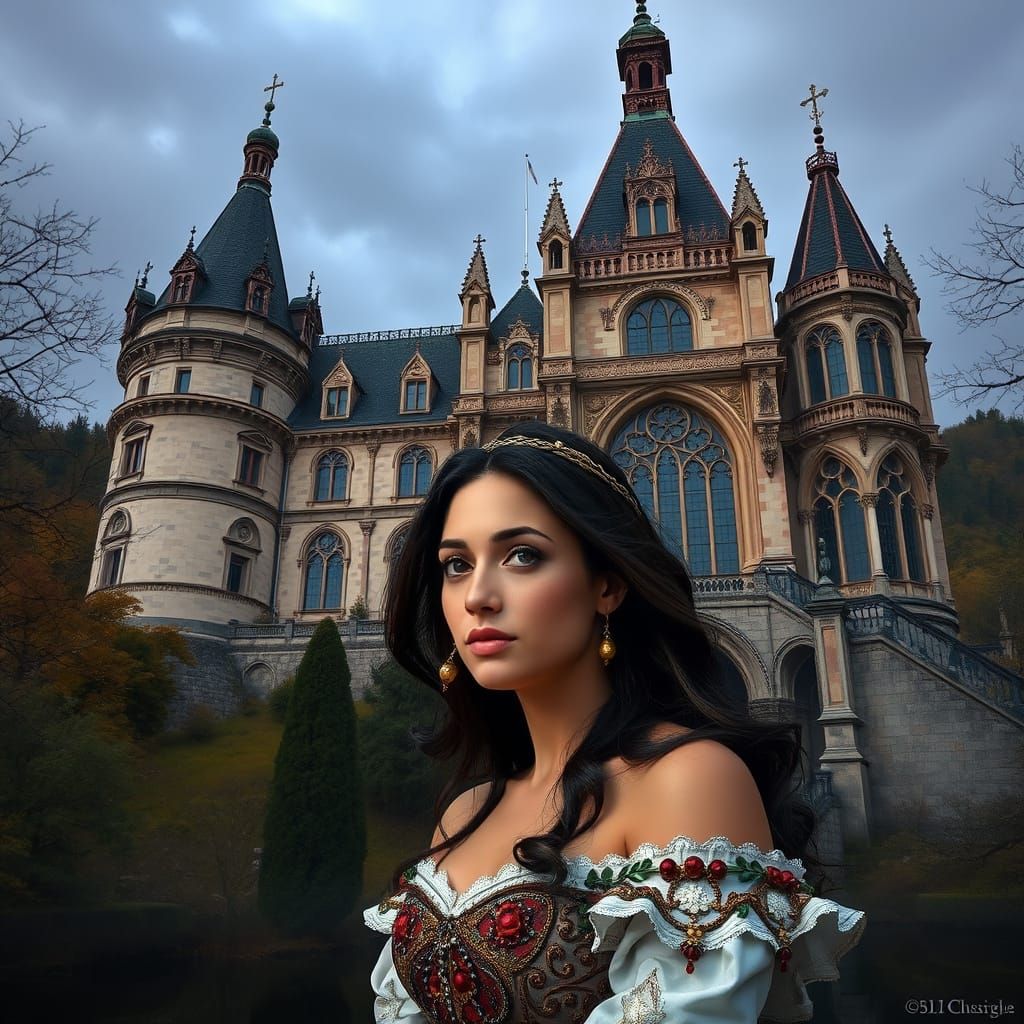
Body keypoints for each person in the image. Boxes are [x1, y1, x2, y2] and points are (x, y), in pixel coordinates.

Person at [364, 420, 866, 1023]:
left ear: (607, 584)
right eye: (455, 565)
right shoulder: (465, 812)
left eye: (522, 555)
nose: (477, 596)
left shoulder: (688, 779)